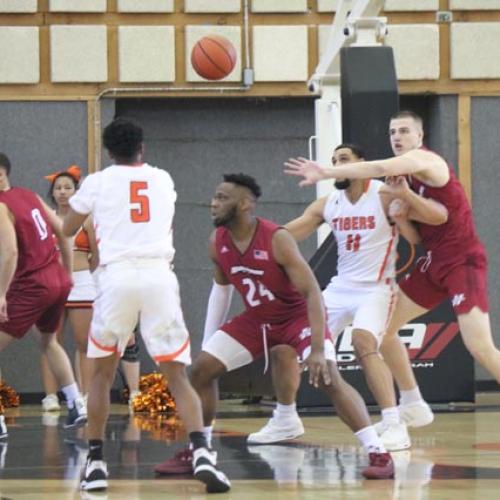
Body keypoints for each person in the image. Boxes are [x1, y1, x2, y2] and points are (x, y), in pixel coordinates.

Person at [156, 173, 394, 480]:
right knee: (202, 369)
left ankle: (378, 452)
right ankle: (200, 450)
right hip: (258, 320)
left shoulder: (276, 238)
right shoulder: (217, 241)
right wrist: (209, 341)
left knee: (328, 378)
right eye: (214, 197)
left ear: (244, 205)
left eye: (221, 198)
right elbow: (222, 289)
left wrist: (319, 349)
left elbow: (311, 292)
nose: (213, 204)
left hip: (297, 317)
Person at [285, 110, 499, 428]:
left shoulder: (426, 162)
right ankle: (413, 402)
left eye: (404, 131)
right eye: (392, 132)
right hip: (433, 262)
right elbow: (420, 231)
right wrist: (402, 214)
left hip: (462, 261)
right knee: (384, 329)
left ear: (419, 137)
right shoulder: (402, 180)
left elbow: (434, 210)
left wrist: (325, 171)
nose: (397, 137)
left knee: (479, 346)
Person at [62, 118, 230, 493]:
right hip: (158, 277)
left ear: (108, 151)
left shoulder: (98, 182)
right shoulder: (163, 179)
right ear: (143, 148)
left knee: (103, 374)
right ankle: (202, 450)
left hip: (116, 276)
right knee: (176, 374)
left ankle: (95, 462)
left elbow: (67, 228)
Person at [0, 152, 87, 438]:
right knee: (49, 341)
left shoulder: (1, 206)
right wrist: (68, 274)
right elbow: (63, 232)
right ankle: (76, 403)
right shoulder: (29, 195)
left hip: (32, 285)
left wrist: (1, 294)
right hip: (57, 280)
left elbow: (10, 252)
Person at [40, 165, 98, 411]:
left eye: (68, 188)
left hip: (82, 281)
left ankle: (83, 394)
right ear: (52, 193)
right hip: (52, 282)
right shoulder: (45, 219)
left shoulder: (86, 220)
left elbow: (96, 254)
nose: (63, 192)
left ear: (77, 191)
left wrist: (85, 275)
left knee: (83, 341)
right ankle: (52, 396)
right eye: (58, 188)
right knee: (51, 340)